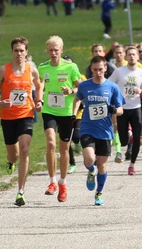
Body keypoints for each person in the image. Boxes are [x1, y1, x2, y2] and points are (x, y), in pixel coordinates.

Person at [0, 37, 43, 206]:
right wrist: (0, 102)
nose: (19, 53)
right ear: (12, 52)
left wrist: (38, 101)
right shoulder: (3, 70)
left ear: (26, 52)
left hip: (26, 114)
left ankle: (20, 191)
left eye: (22, 50)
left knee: (25, 150)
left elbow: (39, 85)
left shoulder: (32, 70)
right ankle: (11, 162)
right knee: (14, 154)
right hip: (7, 117)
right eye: (16, 50)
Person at [73, 55, 125, 205]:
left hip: (105, 130)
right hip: (87, 128)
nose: (98, 72)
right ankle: (90, 170)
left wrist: (114, 109)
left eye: (100, 69)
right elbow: (77, 99)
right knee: (89, 159)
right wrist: (73, 114)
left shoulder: (112, 87)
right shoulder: (84, 86)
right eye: (95, 70)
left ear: (105, 69)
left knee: (102, 165)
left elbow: (121, 109)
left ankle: (99, 192)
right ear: (91, 69)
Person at [38, 36, 81, 202]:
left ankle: (63, 184)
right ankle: (52, 182)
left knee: (64, 149)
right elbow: (40, 85)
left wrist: (70, 91)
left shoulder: (70, 67)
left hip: (65, 113)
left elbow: (80, 86)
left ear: (61, 50)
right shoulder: (43, 68)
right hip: (49, 111)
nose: (54, 53)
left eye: (57, 50)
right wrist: (39, 100)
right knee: (50, 143)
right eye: (51, 50)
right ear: (47, 51)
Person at [109, 46, 142, 175]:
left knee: (138, 138)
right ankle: (128, 134)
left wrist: (141, 91)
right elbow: (109, 85)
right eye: (130, 55)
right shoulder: (119, 71)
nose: (132, 56)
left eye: (134, 54)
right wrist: (116, 96)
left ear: (137, 56)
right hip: (122, 108)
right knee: (123, 140)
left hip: (136, 108)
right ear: (126, 57)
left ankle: (132, 165)